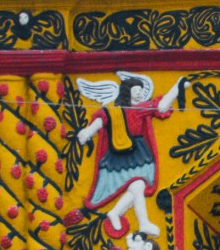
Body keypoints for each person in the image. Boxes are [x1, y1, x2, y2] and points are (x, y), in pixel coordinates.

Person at [76, 75, 179, 234]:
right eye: (135, 90)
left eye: (141, 90)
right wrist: (88, 132)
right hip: (121, 155)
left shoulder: (141, 109)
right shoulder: (114, 110)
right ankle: (141, 222)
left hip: (139, 152)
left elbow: (162, 107)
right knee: (138, 186)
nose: (139, 93)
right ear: (127, 92)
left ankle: (116, 213)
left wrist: (177, 87)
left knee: (137, 186)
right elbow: (102, 119)